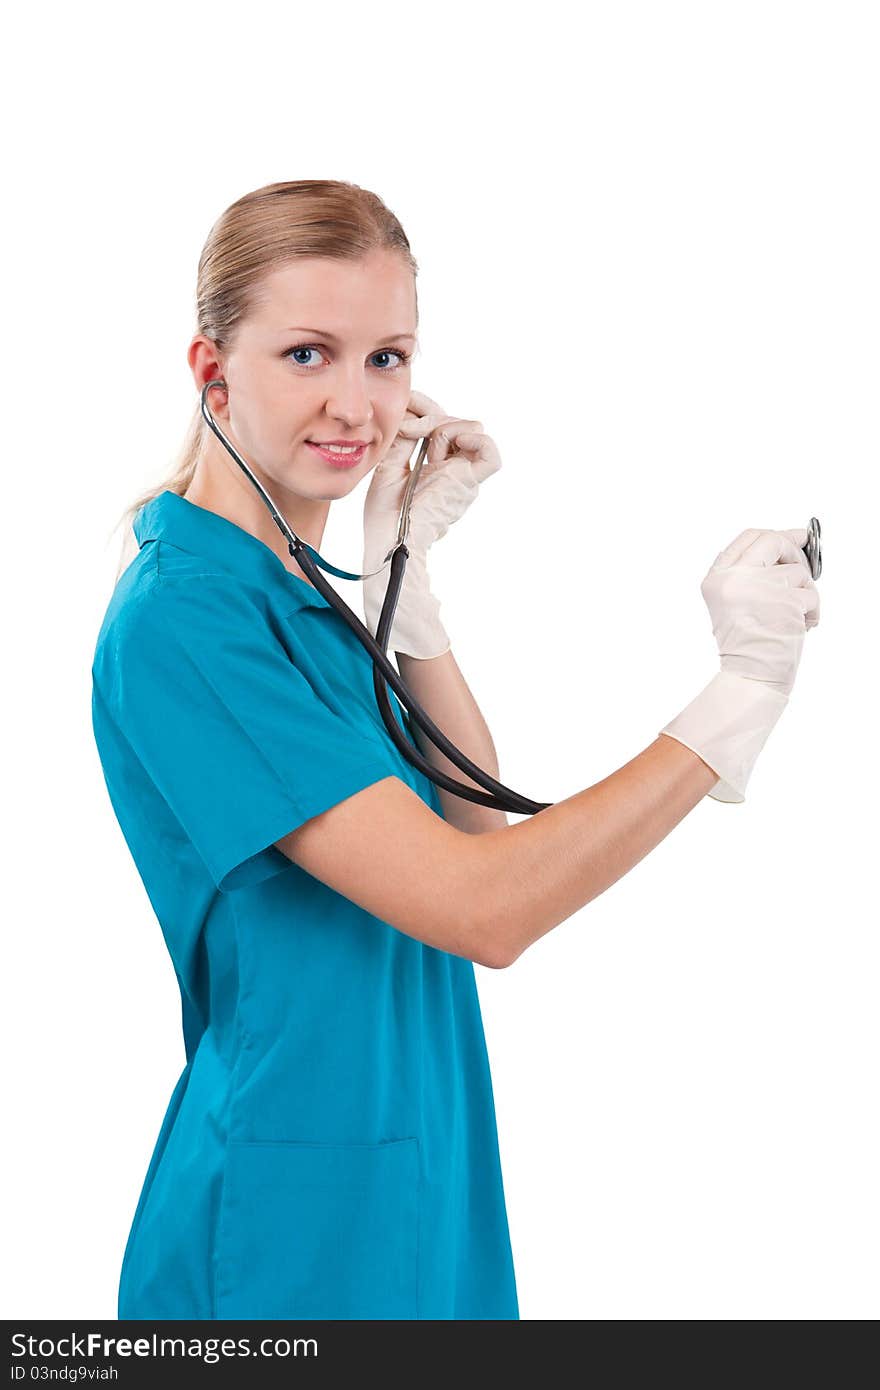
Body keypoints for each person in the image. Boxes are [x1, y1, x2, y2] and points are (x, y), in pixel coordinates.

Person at [90, 179, 820, 1322]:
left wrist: (402, 592)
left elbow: (480, 823)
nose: (354, 404)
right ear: (210, 368)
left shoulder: (299, 598)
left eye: (387, 358)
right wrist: (738, 694)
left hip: (417, 1161)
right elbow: (488, 909)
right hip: (291, 1218)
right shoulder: (189, 621)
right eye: (306, 355)